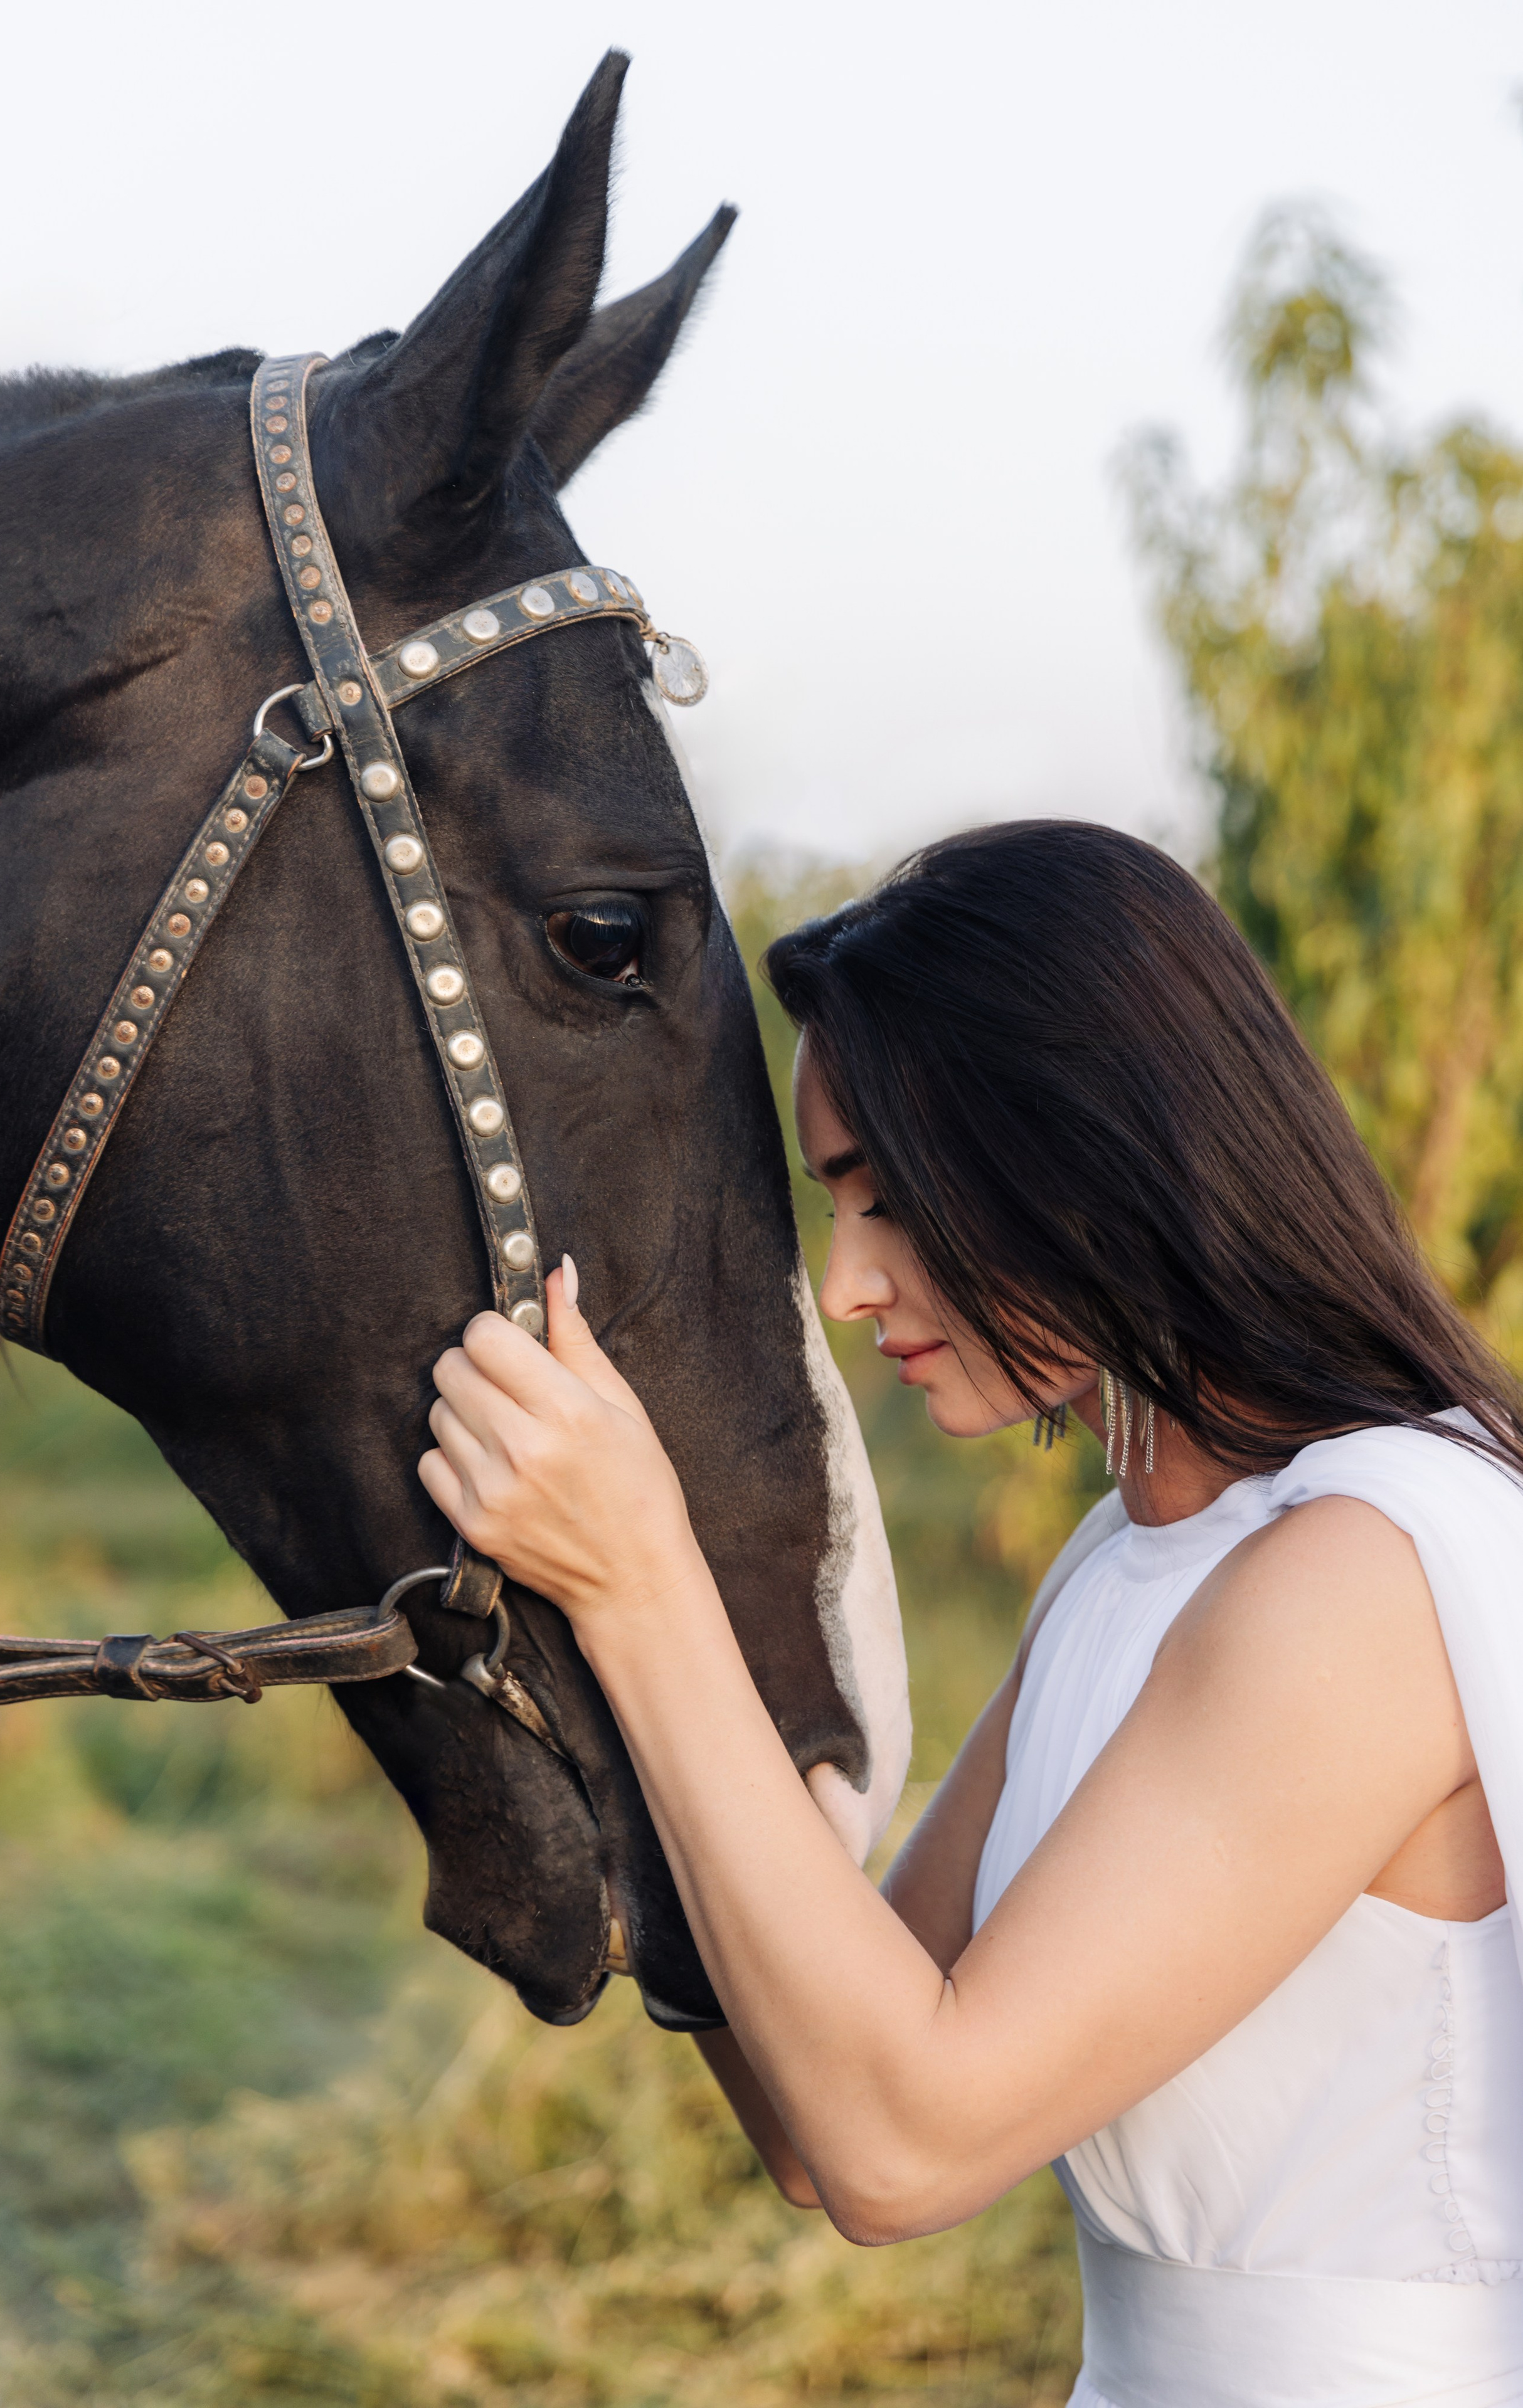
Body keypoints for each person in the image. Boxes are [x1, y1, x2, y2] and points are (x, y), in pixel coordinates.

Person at [418, 820, 1523, 2407]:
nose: (847, 1287)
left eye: (885, 1201)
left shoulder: (1359, 1577)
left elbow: (903, 2151)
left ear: (1082, 1159)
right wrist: (601, 1644)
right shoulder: (1122, 1562)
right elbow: (814, 2125)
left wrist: (642, 1585)